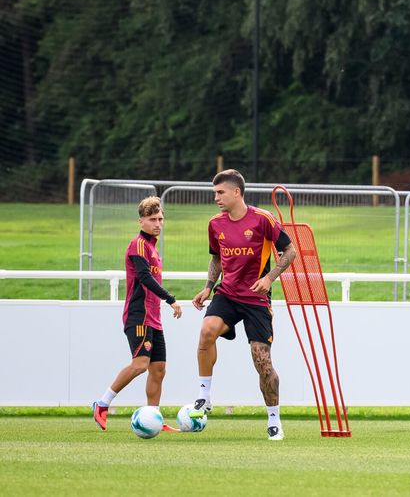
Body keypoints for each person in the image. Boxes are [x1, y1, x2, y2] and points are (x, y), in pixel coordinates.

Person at [190, 169, 297, 440]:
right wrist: (208, 287)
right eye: (215, 193)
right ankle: (204, 397)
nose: (216, 198)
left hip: (256, 299)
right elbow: (216, 258)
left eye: (220, 192)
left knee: (262, 362)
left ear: (236, 192)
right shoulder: (215, 224)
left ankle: (274, 420)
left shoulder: (262, 219)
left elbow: (290, 251)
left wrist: (269, 278)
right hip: (227, 293)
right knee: (206, 330)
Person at [92, 197, 182, 430]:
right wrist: (170, 299)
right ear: (141, 221)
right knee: (141, 364)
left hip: (154, 318)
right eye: (152, 219)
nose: (157, 224)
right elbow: (144, 277)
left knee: (158, 369)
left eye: (160, 219)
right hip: (139, 315)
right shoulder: (138, 245)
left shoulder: (152, 247)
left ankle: (154, 418)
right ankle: (102, 404)